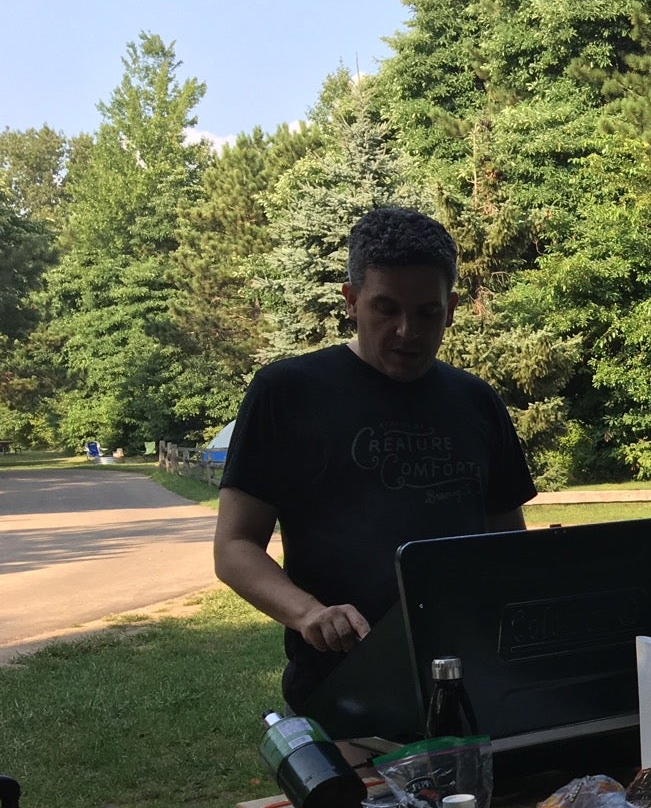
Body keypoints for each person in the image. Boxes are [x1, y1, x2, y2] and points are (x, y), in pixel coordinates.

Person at [214, 207, 537, 710]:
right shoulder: (288, 392)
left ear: (451, 307)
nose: (407, 331)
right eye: (386, 308)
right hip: (343, 687)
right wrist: (308, 614)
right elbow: (235, 546)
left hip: (476, 681)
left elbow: (507, 542)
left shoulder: (476, 401)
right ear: (351, 301)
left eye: (428, 312)